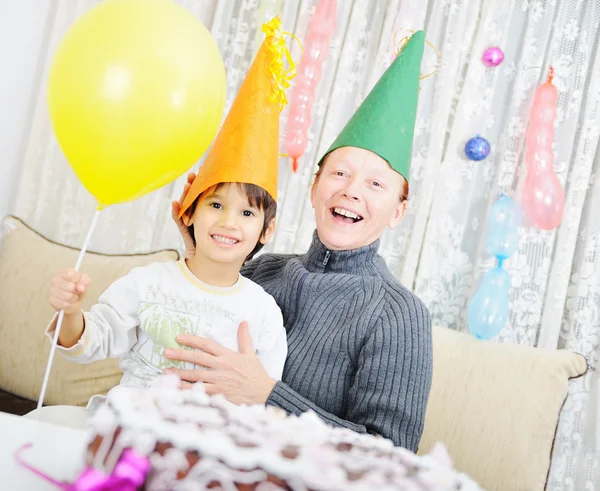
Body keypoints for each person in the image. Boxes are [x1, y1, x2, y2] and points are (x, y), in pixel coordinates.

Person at [165, 30, 432, 452]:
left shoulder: (398, 315)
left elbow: (389, 459)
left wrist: (269, 396)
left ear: (397, 212)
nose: (351, 191)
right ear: (314, 188)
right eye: (340, 173)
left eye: (376, 183)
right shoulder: (260, 269)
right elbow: (192, 345)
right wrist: (202, 258)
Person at [40, 17, 291, 415]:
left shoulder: (263, 312)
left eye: (246, 212)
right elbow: (90, 341)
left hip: (200, 451)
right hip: (126, 430)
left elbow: (261, 401)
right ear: (188, 213)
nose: (228, 221)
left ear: (268, 228)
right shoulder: (148, 282)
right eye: (215, 205)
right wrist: (71, 313)